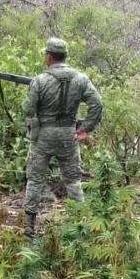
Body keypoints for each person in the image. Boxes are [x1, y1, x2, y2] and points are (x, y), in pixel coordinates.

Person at [22, 37, 103, 238]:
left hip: (43, 137)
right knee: (73, 181)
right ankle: (79, 227)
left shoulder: (40, 80)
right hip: (69, 135)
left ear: (48, 57)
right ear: (65, 56)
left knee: (35, 181)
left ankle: (29, 230)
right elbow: (97, 104)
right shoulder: (81, 78)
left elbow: (28, 109)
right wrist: (86, 129)